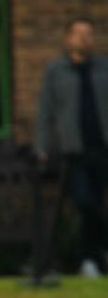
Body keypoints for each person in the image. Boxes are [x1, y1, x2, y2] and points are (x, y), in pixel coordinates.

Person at [35, 18, 108, 278]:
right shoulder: (56, 71)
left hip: (102, 148)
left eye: (88, 34)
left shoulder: (103, 69)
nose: (84, 39)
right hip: (74, 150)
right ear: (68, 39)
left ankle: (91, 260)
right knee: (84, 202)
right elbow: (46, 112)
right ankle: (96, 253)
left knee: (98, 202)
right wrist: (41, 146)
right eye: (78, 34)